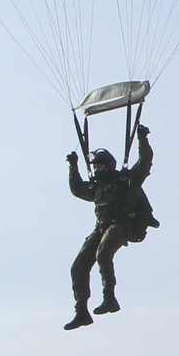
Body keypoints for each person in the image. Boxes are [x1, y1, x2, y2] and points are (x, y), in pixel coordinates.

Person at [64, 124, 154, 330]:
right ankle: (81, 311)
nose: (97, 169)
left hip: (121, 225)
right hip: (101, 227)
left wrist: (142, 138)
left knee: (103, 255)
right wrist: (73, 167)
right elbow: (77, 189)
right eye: (95, 166)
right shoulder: (96, 187)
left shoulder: (126, 181)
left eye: (100, 166)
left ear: (109, 165)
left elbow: (144, 163)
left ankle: (110, 298)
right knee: (78, 266)